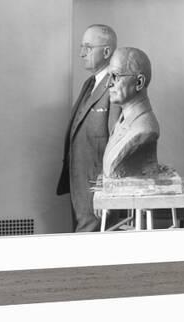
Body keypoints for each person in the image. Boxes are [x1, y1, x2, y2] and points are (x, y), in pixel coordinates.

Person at [57, 24, 121, 232]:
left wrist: (107, 187)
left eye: (88, 47)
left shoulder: (115, 85)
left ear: (106, 51)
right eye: (81, 46)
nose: (81, 53)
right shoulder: (89, 83)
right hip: (80, 179)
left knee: (90, 238)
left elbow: (116, 141)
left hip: (97, 182)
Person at [102, 47, 160, 179]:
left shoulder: (144, 130)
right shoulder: (122, 121)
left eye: (115, 76)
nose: (108, 84)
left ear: (139, 82)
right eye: (108, 76)